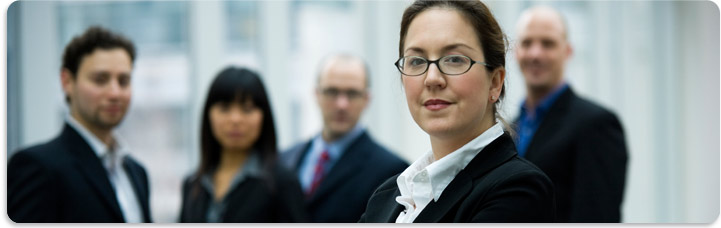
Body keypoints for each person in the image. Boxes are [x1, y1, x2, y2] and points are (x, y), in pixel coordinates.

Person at [359, 0, 555, 223]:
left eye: (454, 60)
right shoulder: (386, 196)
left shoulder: (518, 190)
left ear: (494, 83)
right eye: (416, 61)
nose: (432, 78)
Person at [8, 26, 151, 223]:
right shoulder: (38, 167)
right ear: (67, 82)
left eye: (124, 81)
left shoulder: (137, 172)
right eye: (100, 79)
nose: (115, 93)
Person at [513, 6, 628, 222]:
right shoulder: (509, 129)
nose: (535, 53)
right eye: (527, 43)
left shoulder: (596, 124)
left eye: (548, 43)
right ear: (516, 52)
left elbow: (598, 217)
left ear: (568, 51)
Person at [280, 54, 408, 222]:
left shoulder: (394, 172)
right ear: (317, 94)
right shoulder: (283, 159)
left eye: (352, 93)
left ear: (366, 99)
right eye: (332, 92)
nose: (342, 104)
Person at [179, 67, 308, 223]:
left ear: (264, 117)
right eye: (224, 108)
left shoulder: (282, 183)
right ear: (208, 115)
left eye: (247, 109)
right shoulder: (193, 184)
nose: (235, 119)